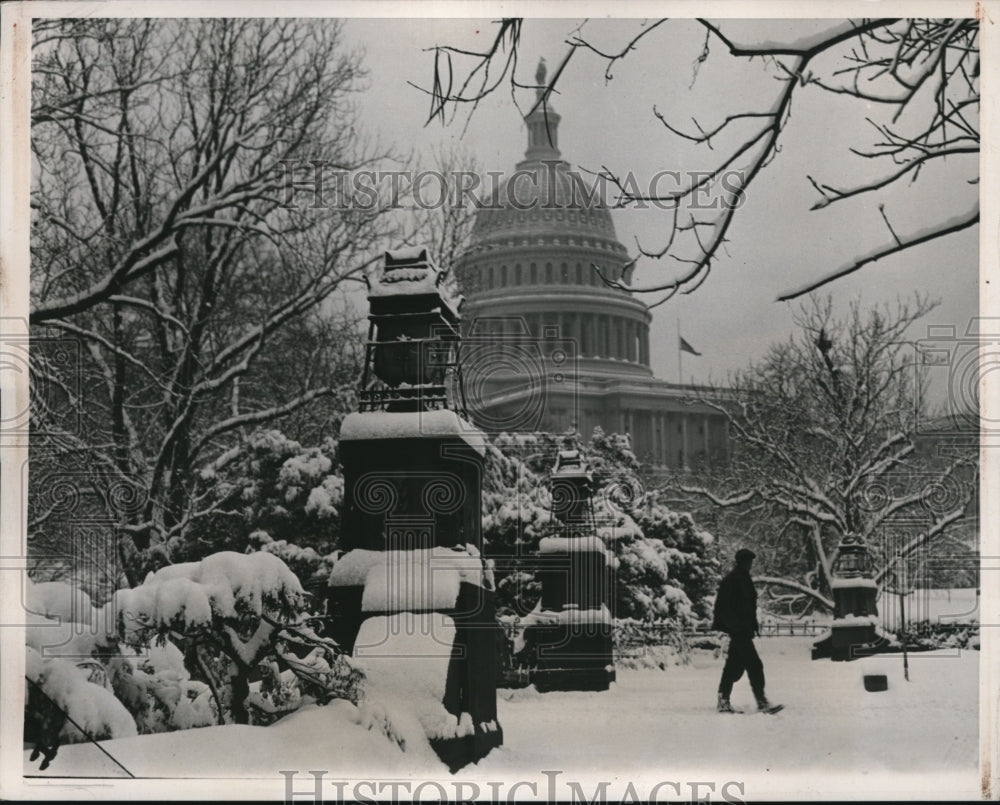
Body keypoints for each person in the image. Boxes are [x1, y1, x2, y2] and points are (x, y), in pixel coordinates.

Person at [712, 548, 781, 713]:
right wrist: (735, 626)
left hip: (743, 630)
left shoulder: (743, 578)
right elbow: (723, 607)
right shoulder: (733, 580)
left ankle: (723, 699)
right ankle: (761, 701)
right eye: (747, 561)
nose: (750, 564)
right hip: (739, 631)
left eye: (751, 561)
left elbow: (748, 606)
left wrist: (751, 625)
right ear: (741, 562)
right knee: (754, 665)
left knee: (733, 668)